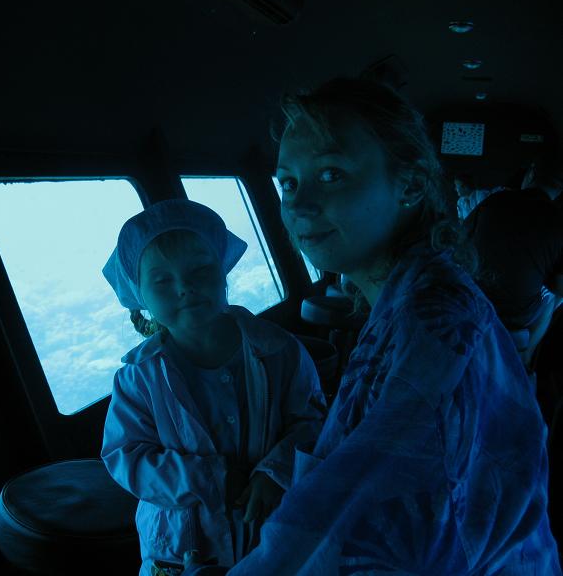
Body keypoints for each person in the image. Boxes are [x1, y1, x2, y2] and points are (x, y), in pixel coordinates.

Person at [185, 77, 561, 575]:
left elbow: (349, 531)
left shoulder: (433, 325)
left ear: (410, 185)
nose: (298, 204)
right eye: (288, 182)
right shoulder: (411, 297)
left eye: (331, 174)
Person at [100, 199, 327, 576]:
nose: (184, 287)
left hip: (271, 532)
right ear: (139, 295)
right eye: (162, 280)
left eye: (200, 270)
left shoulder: (280, 351)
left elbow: (312, 423)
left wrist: (276, 472)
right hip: (180, 550)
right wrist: (212, 478)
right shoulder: (138, 378)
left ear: (223, 271)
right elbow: (126, 457)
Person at [464, 156, 563, 368]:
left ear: (531, 173)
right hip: (515, 319)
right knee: (552, 299)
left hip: (472, 302)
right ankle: (526, 356)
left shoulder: (494, 201)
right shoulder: (558, 222)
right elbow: (559, 287)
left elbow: (460, 242)